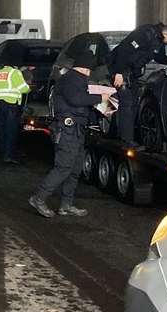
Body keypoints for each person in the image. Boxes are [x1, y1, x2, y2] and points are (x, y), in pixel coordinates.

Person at [29, 51, 111, 218]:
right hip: (67, 131)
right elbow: (76, 99)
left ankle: (66, 205)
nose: (90, 73)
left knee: (74, 169)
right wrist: (100, 97)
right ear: (84, 68)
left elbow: (82, 108)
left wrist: (103, 112)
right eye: (89, 70)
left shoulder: (78, 82)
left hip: (76, 132)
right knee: (64, 167)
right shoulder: (69, 80)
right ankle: (39, 198)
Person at [107, 22, 167, 151]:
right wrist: (119, 73)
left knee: (134, 102)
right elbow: (123, 51)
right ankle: (127, 140)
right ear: (166, 33)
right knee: (127, 102)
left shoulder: (158, 41)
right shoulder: (144, 34)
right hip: (121, 68)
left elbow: (159, 56)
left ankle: (124, 133)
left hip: (132, 72)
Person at [0, 64, 31, 164]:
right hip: (11, 105)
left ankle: (5, 152)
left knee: (3, 130)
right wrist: (29, 87)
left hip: (0, 105)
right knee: (11, 130)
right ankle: (9, 155)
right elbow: (23, 89)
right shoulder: (14, 73)